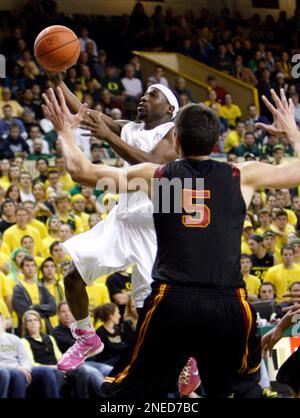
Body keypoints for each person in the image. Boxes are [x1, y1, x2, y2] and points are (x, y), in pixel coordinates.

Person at [43, 85, 300, 398]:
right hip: (229, 302)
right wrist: (292, 132)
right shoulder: (243, 175)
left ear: (175, 140)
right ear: (217, 141)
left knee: (128, 395)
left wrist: (65, 132)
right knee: (240, 391)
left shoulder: (158, 176)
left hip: (173, 298)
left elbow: (80, 171)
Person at [44, 75, 178, 371]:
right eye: (144, 92)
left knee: (155, 312)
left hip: (155, 230)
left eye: (153, 94)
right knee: (73, 278)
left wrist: (108, 136)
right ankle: (86, 336)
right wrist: (59, 81)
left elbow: (151, 165)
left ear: (169, 109)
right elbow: (87, 114)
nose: (144, 97)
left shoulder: (174, 132)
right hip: (121, 221)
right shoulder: (129, 128)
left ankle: (187, 356)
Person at [12, 256, 56, 335]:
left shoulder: (42, 287)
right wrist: (44, 311)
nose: (30, 268)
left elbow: (53, 308)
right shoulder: (18, 289)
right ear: (21, 269)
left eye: (32, 265)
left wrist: (35, 307)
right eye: (27, 265)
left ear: (36, 269)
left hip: (46, 330)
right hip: (27, 332)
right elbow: (24, 313)